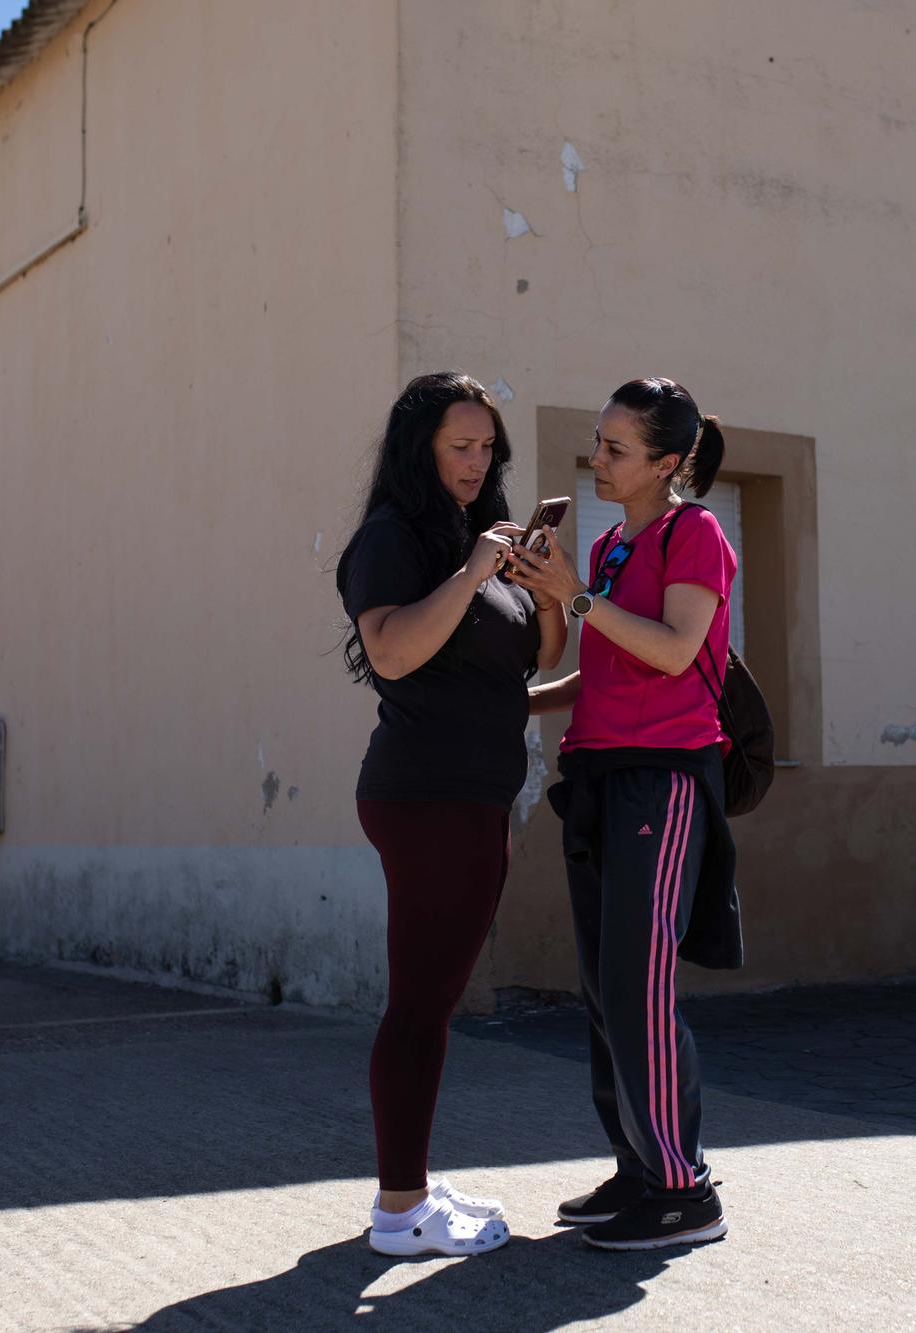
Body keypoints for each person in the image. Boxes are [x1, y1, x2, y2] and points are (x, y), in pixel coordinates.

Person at [504, 377, 738, 1250]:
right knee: (605, 989)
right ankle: (637, 1164)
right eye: (597, 443)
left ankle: (684, 1188)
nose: (597, 460)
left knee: (640, 987)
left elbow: (676, 652)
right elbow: (601, 665)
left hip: (662, 779)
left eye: (616, 449)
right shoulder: (606, 548)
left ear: (668, 463)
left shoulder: (696, 534)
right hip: (599, 778)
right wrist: (520, 700)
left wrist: (574, 596)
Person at [336, 372, 567, 1256]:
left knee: (430, 999)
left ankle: (412, 1188)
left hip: (475, 796)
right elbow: (392, 652)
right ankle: (400, 1212)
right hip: (424, 794)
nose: (477, 464)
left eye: (486, 449)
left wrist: (543, 592)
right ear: (419, 447)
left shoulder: (482, 537)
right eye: (458, 446)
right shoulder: (391, 540)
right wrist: (475, 570)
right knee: (420, 1008)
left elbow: (527, 661)